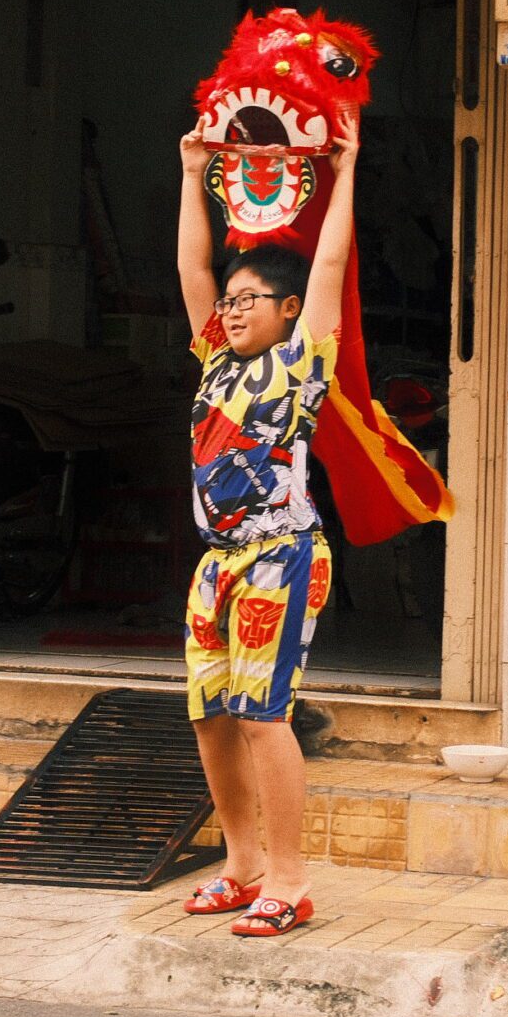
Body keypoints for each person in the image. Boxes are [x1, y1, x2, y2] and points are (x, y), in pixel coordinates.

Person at [168, 117, 359, 938]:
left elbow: (330, 262)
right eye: (231, 299)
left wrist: (345, 171)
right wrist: (193, 171)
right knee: (211, 711)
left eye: (252, 300)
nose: (234, 308)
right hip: (217, 563)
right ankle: (241, 864)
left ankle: (290, 878)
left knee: (263, 713)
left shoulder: (303, 360)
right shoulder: (216, 361)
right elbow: (191, 264)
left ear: (288, 311)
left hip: (282, 555)